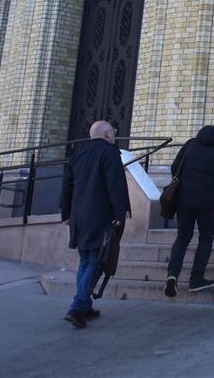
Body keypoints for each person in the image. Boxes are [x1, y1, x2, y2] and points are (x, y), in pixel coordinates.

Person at [60, 120, 130, 329]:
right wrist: (120, 214)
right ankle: (77, 306)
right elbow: (115, 185)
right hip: (100, 215)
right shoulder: (109, 153)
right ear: (107, 133)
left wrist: (66, 212)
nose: (114, 135)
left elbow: (67, 185)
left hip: (79, 216)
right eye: (113, 132)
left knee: (85, 260)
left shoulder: (79, 154)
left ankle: (86, 305)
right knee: (96, 261)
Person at [164, 115, 214, 297]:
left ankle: (172, 275)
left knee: (182, 237)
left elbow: (175, 166)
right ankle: (196, 279)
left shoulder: (192, 143)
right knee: (205, 239)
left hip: (184, 199)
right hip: (207, 201)